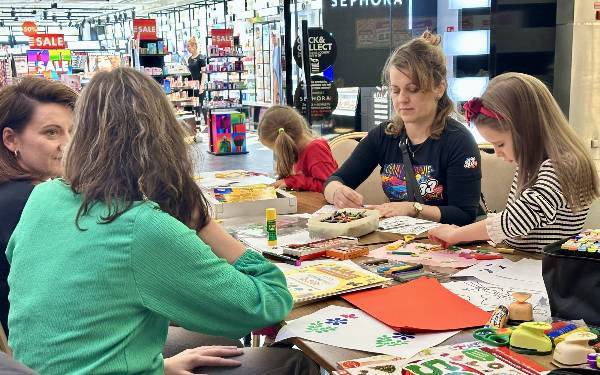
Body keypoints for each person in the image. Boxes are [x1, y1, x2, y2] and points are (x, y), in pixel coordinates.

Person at [6, 68, 314, 375]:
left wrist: (160, 365)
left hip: (32, 369)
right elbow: (269, 304)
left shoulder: (43, 197)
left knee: (219, 338)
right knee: (293, 362)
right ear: (164, 137)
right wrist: (205, 224)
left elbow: (81, 316)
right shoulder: (140, 226)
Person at [428, 72, 599, 252]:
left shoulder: (563, 166)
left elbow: (519, 218)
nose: (497, 152)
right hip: (519, 262)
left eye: (500, 143)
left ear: (527, 129)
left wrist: (457, 235)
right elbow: (513, 222)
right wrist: (467, 233)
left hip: (542, 270)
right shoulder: (532, 162)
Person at [324, 31, 482, 225]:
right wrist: (337, 193)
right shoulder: (384, 135)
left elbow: (465, 214)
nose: (401, 99)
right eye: (395, 90)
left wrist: (413, 209)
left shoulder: (458, 140)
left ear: (439, 88)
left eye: (413, 89)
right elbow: (335, 179)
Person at [0, 77, 77, 338]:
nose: (68, 144)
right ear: (11, 140)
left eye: (72, 131)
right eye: (51, 132)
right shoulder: (27, 201)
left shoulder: (15, 191)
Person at [258, 105, 338, 193]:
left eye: (276, 150)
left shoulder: (316, 149)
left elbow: (329, 186)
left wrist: (292, 182)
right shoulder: (299, 150)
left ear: (285, 143)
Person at [187, 37, 207, 120]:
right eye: (187, 46)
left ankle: (206, 122)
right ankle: (196, 121)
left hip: (200, 84)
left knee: (201, 104)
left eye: (189, 46)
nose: (188, 48)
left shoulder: (201, 58)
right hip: (192, 85)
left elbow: (204, 73)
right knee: (194, 104)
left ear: (194, 46)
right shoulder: (189, 59)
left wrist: (202, 85)